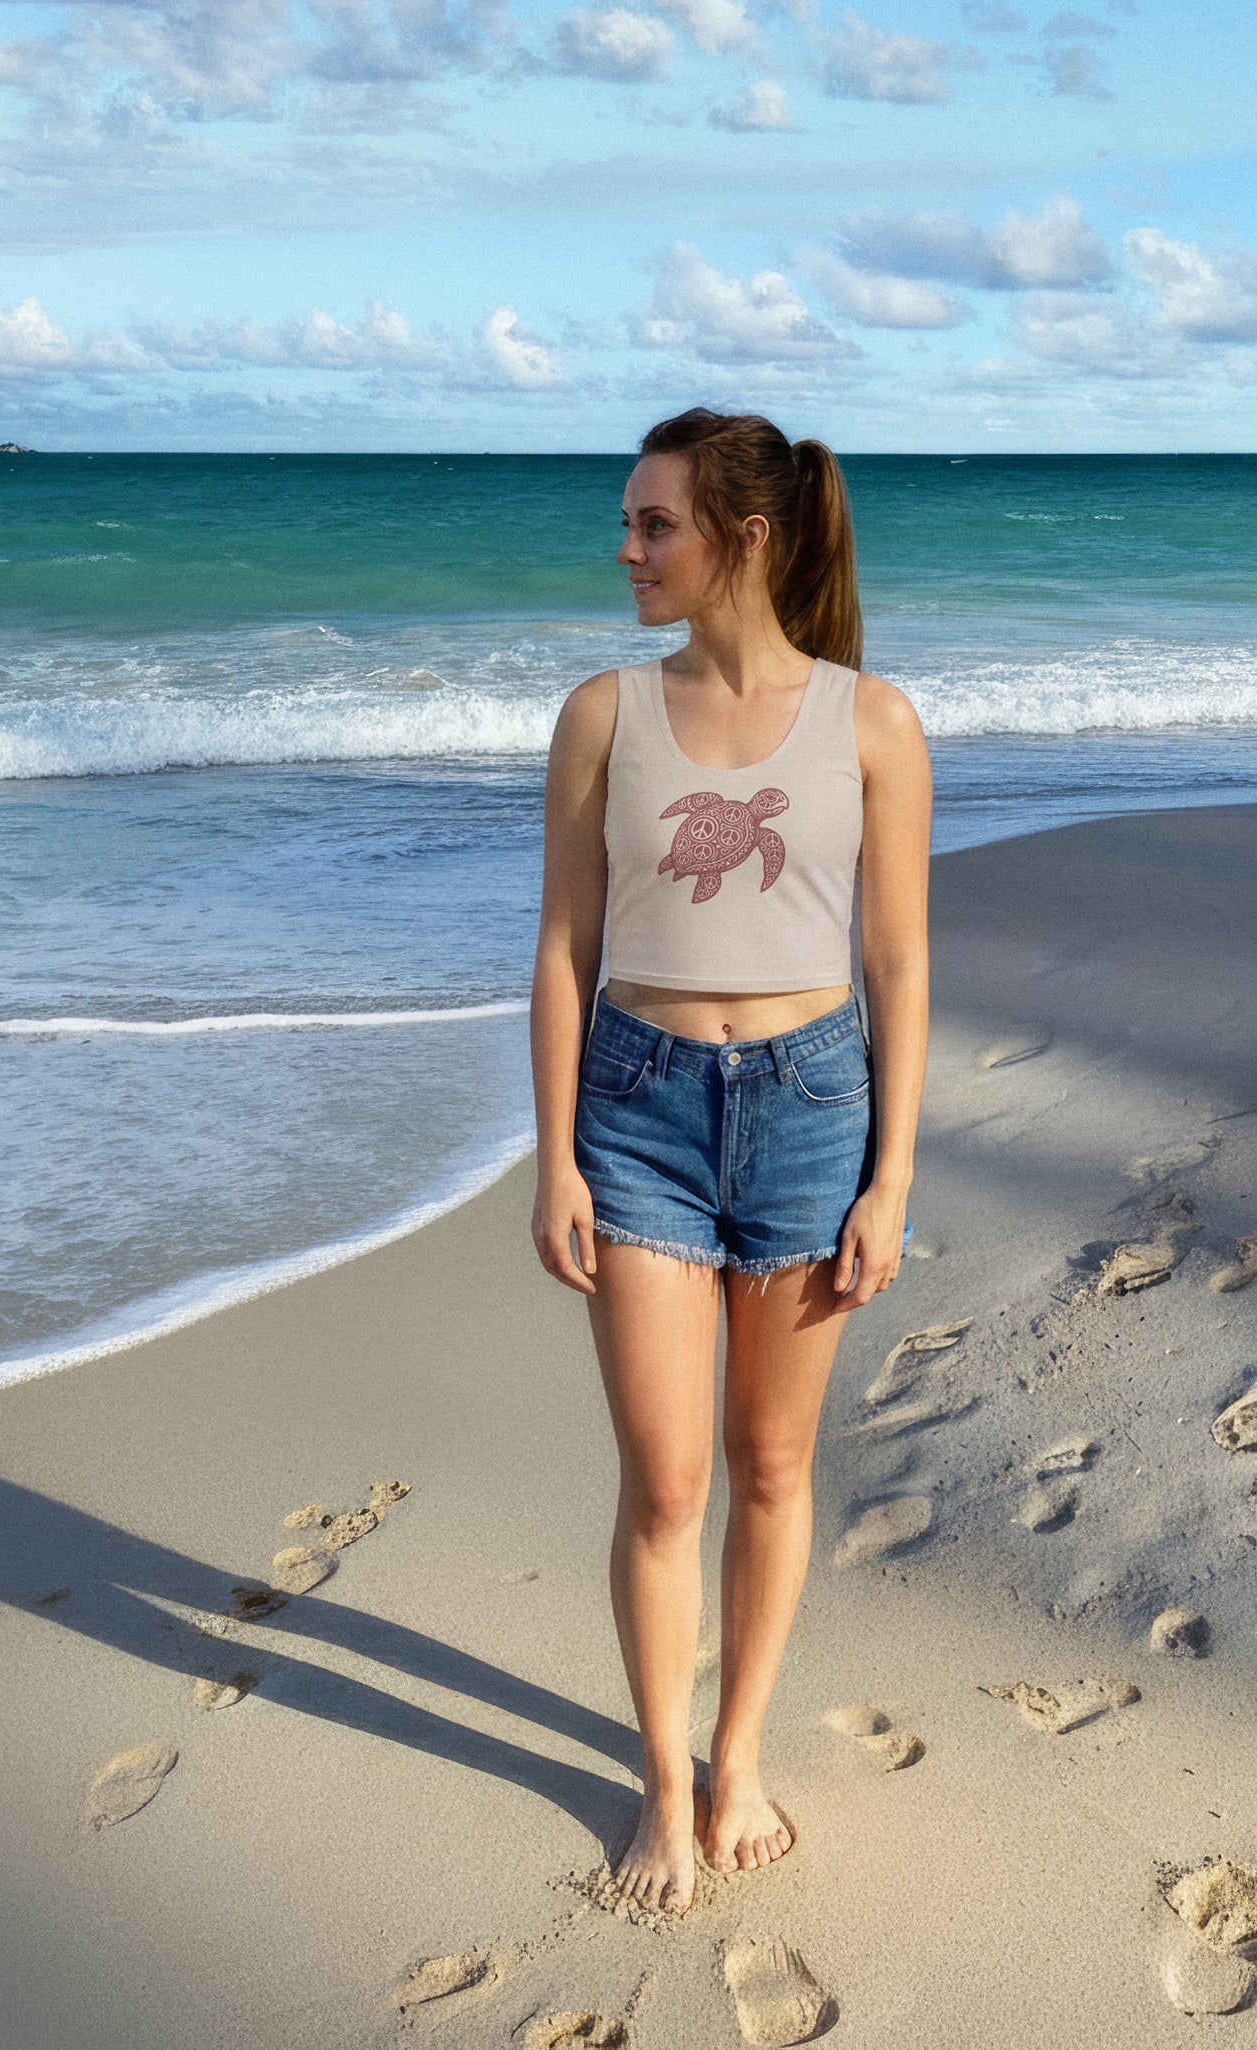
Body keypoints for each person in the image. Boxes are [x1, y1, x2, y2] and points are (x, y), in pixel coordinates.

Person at [529, 407, 933, 1914]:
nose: (626, 549)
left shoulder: (872, 721)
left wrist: (891, 1174)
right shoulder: (602, 714)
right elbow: (567, 951)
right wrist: (558, 1155)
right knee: (667, 1479)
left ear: (744, 536)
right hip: (633, 1106)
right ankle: (659, 1781)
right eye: (629, 524)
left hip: (815, 1104)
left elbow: (897, 959)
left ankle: (740, 1755)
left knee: (773, 1462)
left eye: (654, 524)